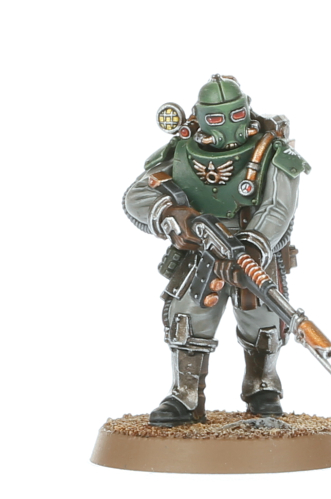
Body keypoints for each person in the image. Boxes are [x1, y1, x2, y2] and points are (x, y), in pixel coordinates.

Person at [123, 75, 310, 427]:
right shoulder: (182, 151)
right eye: (215, 118)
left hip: (252, 250)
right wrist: (172, 215)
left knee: (263, 319)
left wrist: (254, 245)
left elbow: (278, 207)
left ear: (247, 110)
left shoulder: (274, 153)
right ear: (199, 116)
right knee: (188, 318)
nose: (227, 125)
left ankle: (263, 387)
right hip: (201, 250)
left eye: (236, 115)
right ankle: (185, 395)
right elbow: (137, 195)